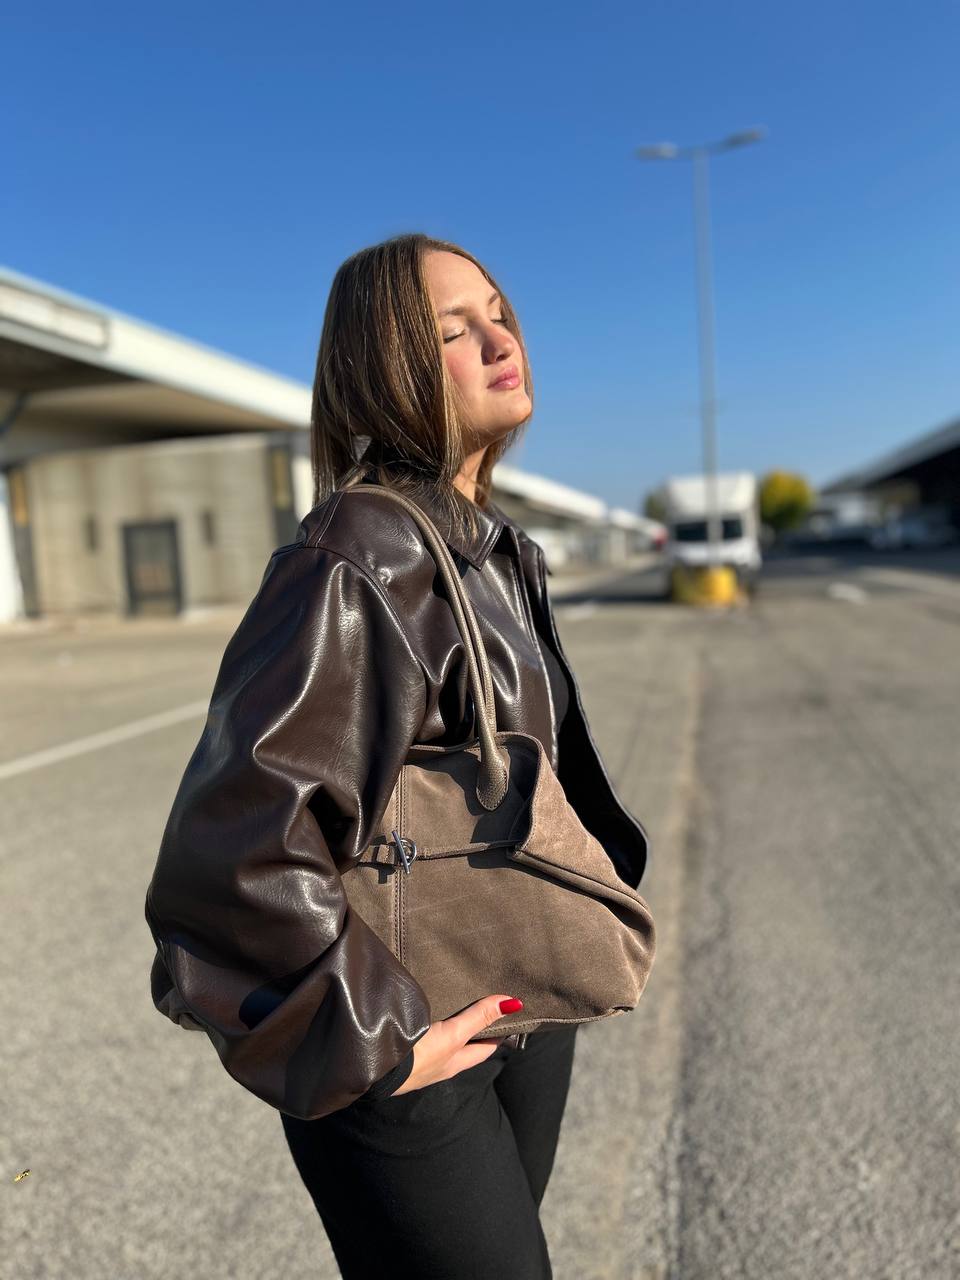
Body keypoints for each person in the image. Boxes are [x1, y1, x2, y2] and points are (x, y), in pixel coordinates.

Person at [144, 233, 650, 1279]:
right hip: (406, 1035)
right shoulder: (360, 551)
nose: (500, 340)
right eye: (453, 330)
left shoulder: (495, 551)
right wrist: (373, 1036)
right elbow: (233, 847)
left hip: (513, 999)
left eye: (499, 314)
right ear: (387, 365)